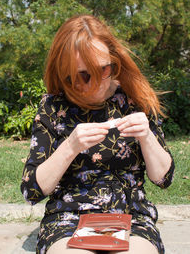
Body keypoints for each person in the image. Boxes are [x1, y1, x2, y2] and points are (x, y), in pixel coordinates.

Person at [21, 14, 174, 254]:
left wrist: (147, 136)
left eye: (104, 69)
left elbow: (163, 179)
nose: (96, 83)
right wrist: (70, 146)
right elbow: (31, 191)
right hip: (68, 219)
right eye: (83, 75)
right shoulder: (53, 107)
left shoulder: (134, 99)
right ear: (65, 71)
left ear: (114, 62)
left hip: (131, 216)